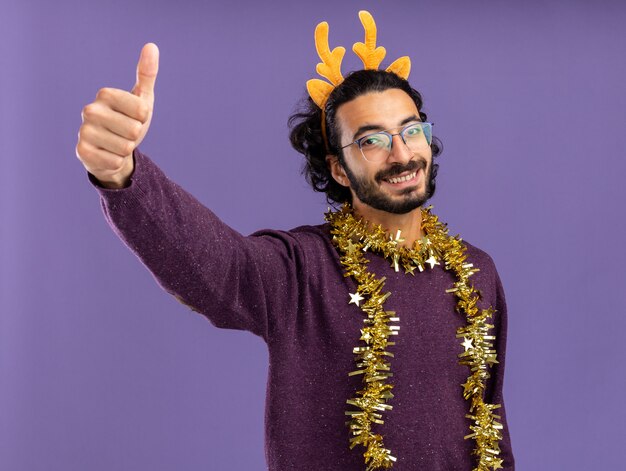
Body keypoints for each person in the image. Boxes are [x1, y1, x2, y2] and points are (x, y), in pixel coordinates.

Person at [76, 11, 514, 471]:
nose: (401, 153)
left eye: (411, 131)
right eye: (372, 141)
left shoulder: (475, 272)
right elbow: (221, 268)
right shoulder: (301, 269)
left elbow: (491, 422)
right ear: (339, 169)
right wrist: (122, 173)